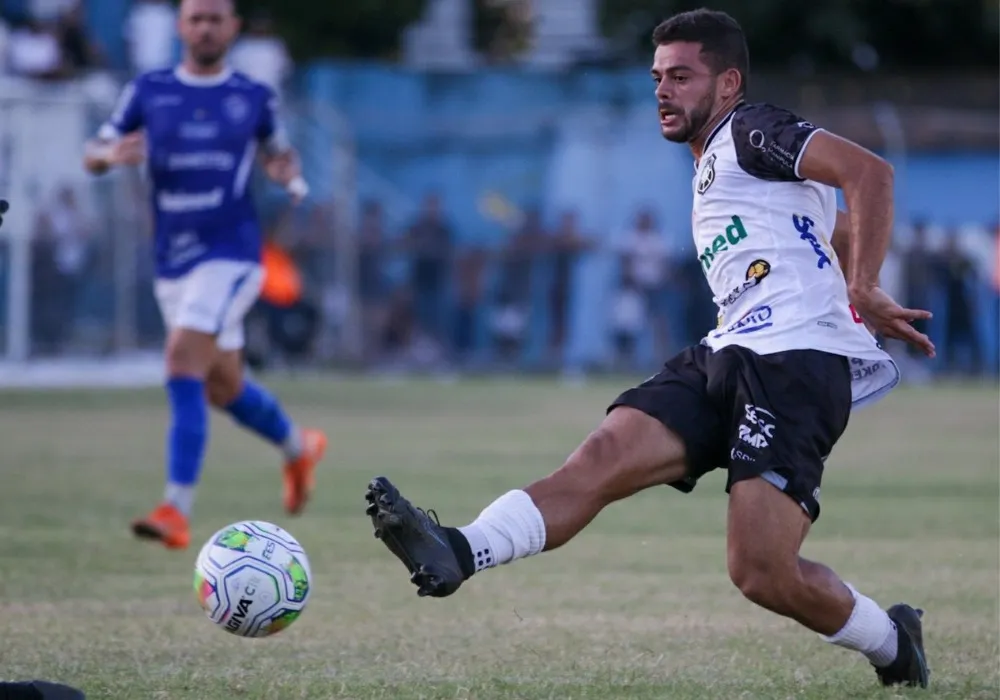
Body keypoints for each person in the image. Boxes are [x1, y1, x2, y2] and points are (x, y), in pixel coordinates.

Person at [363, 9, 935, 690]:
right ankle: (460, 549)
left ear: (728, 83)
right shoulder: (714, 165)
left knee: (760, 571)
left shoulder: (751, 128)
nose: (663, 90)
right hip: (728, 351)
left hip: (795, 364)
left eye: (682, 76)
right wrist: (844, 257)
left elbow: (871, 174)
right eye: (658, 77)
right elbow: (826, 225)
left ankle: (893, 642)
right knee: (601, 456)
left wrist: (864, 285)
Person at [82, 0, 327, 550]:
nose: (206, 27)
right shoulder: (148, 91)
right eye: (197, 18)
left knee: (179, 359)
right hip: (173, 261)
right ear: (181, 27)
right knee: (222, 386)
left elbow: (279, 157)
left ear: (234, 27)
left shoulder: (252, 97)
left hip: (232, 256)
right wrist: (106, 156)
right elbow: (93, 150)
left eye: (217, 17)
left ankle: (176, 508)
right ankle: (298, 448)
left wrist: (286, 171)